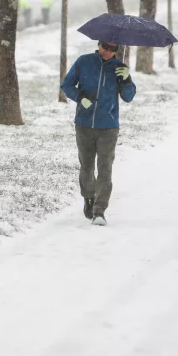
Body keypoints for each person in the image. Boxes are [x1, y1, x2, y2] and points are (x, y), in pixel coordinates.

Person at [61, 41, 136, 226]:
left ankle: (100, 210)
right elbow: (67, 85)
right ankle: (89, 197)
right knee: (86, 166)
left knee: (105, 168)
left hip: (108, 127)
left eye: (113, 49)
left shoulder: (119, 68)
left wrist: (127, 80)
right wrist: (80, 97)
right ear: (99, 44)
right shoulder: (84, 62)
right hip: (84, 125)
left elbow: (128, 97)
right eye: (105, 46)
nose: (108, 51)